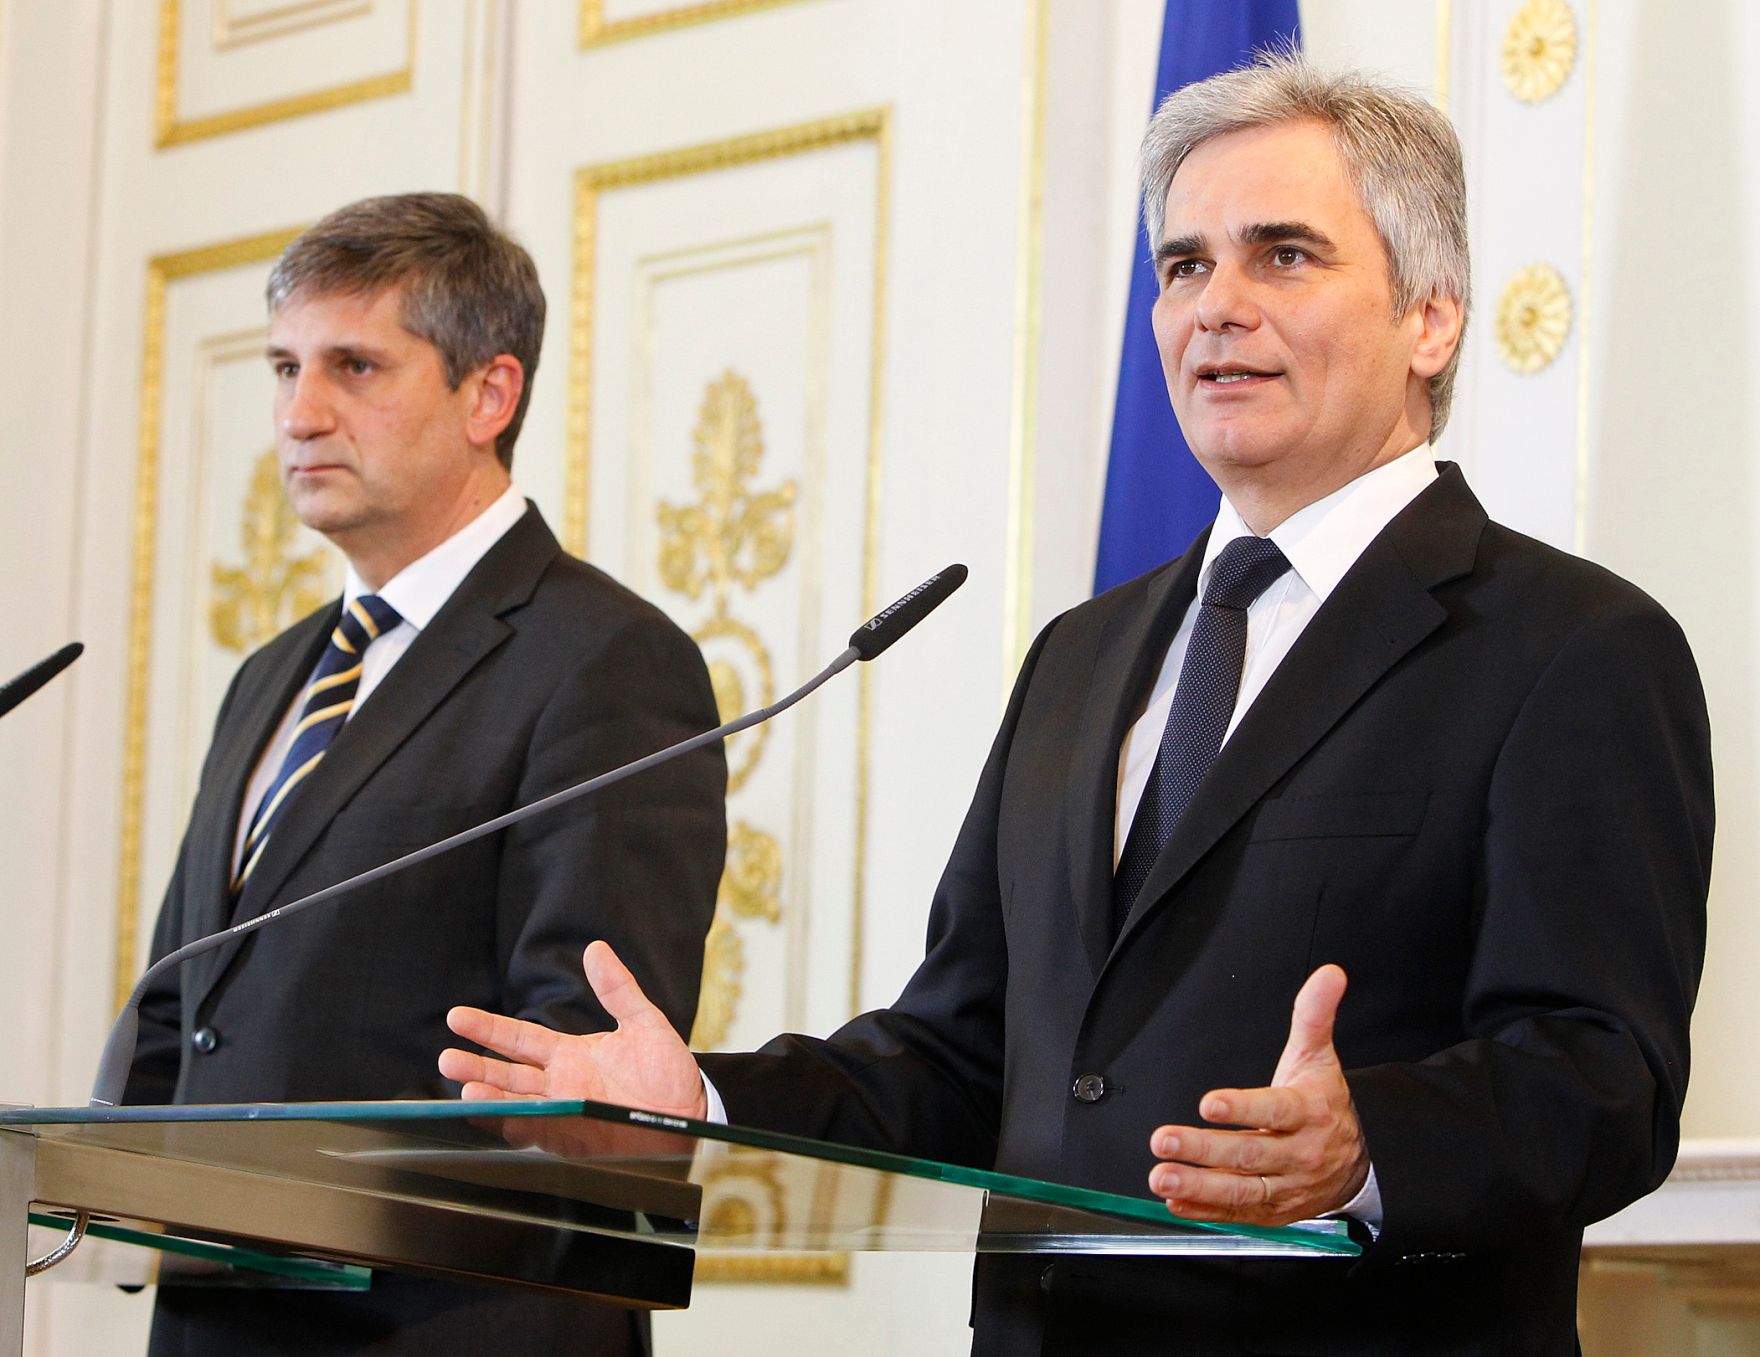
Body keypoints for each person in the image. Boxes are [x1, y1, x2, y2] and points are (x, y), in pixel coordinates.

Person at [442, 55, 1713, 1355]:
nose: (1216, 307)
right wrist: (702, 1100)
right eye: (1183, 266)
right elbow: (960, 1056)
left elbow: (1605, 1075)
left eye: (1281, 256)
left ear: (1429, 320)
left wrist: (1365, 1147)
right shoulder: (1081, 656)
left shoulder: (1571, 648)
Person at [123, 192, 727, 1356]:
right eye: (285, 366)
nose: (299, 414)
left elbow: (573, 1056)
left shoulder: (607, 659)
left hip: (447, 1324)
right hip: (217, 1317)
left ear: (487, 396)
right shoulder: (270, 674)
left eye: (353, 367)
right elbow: (185, 1004)